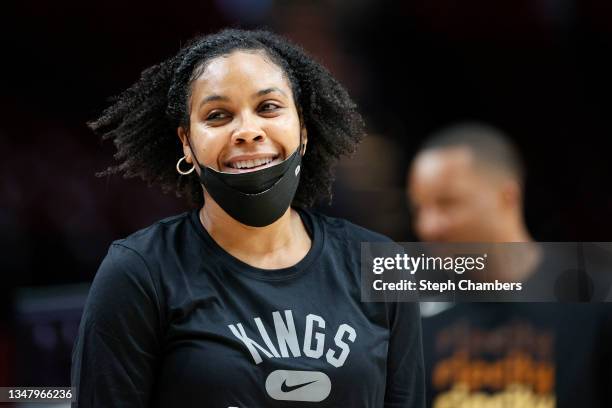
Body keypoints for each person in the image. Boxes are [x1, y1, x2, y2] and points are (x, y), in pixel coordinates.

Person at [70, 29, 425, 407]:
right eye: (218, 115)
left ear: (303, 130)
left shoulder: (382, 265)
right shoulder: (139, 273)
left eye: (268, 107)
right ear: (187, 144)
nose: (248, 132)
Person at [407, 122, 612, 408]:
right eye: (419, 209)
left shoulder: (595, 294)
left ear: (508, 196)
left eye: (448, 204)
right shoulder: (411, 310)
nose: (428, 226)